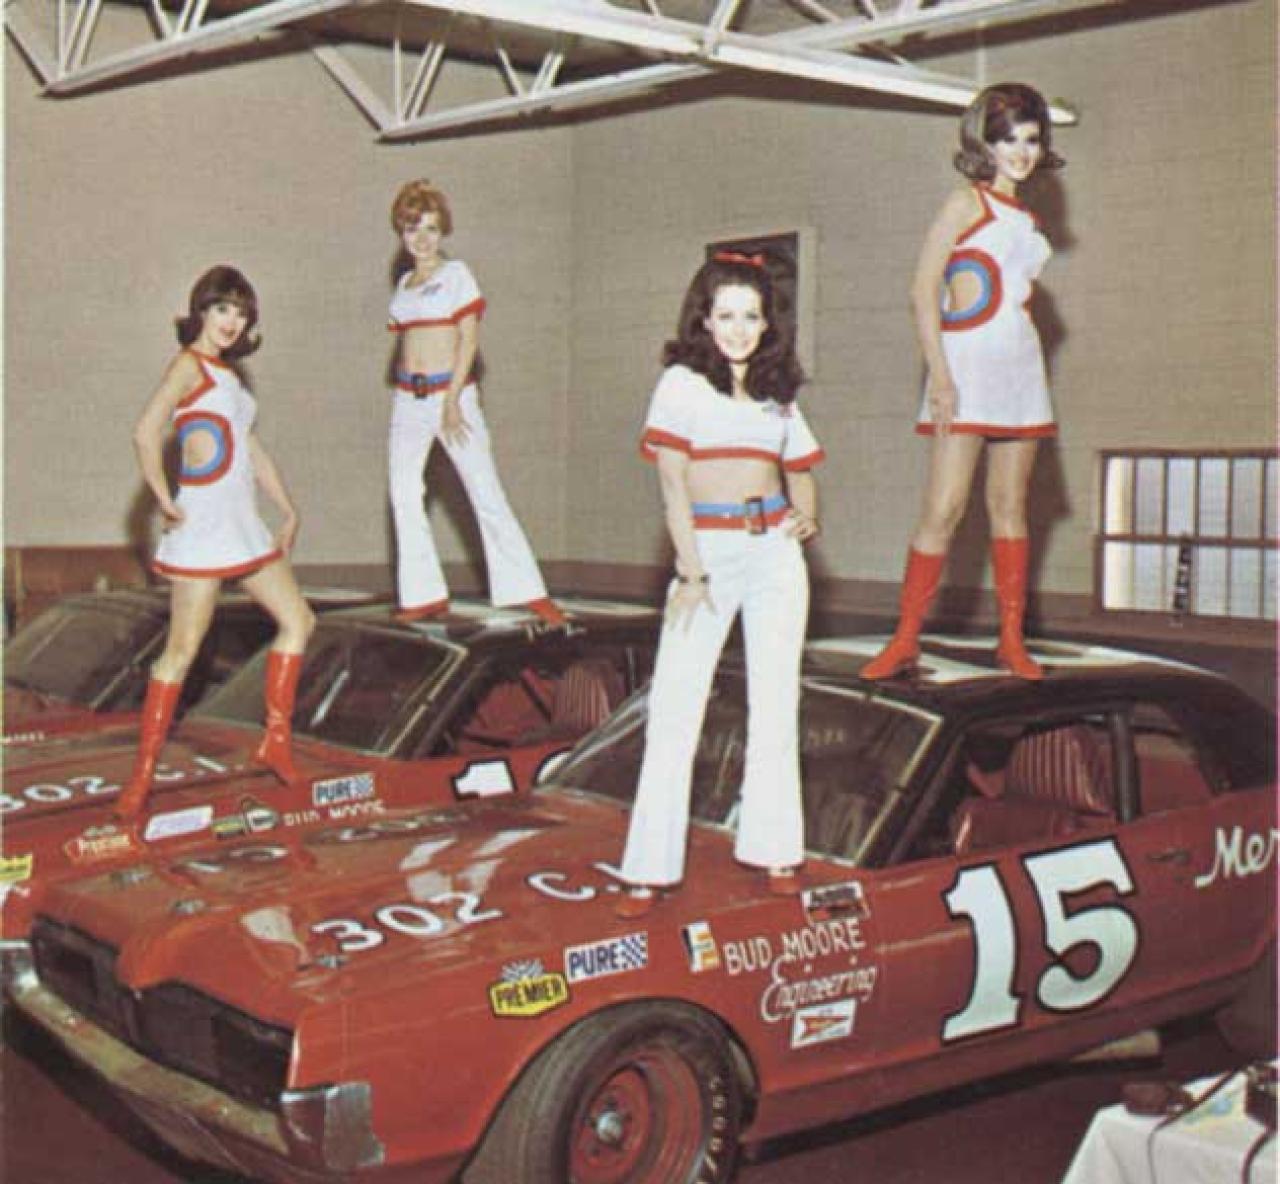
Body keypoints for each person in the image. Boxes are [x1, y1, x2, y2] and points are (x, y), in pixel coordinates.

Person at [615, 253, 823, 917]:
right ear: (703, 320)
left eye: (751, 317)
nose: (738, 329)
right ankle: (647, 869)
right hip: (705, 552)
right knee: (675, 708)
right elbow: (672, 484)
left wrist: (806, 514)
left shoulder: (776, 392)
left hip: (774, 555)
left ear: (767, 324)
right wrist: (690, 568)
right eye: (726, 315)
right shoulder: (680, 384)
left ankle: (776, 849)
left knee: (776, 701)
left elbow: (800, 468)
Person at [862, 82, 1065, 682]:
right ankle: (905, 639)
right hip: (966, 367)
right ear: (985, 144)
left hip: (1020, 368)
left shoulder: (1027, 217)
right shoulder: (964, 202)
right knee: (944, 507)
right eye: (1008, 140)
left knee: (1010, 507)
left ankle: (1011, 640)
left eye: (1031, 140)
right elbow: (922, 290)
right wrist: (941, 376)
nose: (1021, 152)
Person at [116, 266, 315, 818]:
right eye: (223, 309)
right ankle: (142, 775)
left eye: (241, 313)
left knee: (298, 621)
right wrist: (162, 496)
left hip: (242, 526)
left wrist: (288, 507)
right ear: (201, 311)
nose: (232, 322)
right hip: (204, 529)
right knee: (180, 652)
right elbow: (145, 431)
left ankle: (276, 740)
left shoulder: (231, 380)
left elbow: (251, 449)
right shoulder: (189, 365)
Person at [386, 179, 563, 625]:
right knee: (404, 492)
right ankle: (422, 594)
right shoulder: (404, 285)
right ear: (401, 233)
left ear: (443, 230)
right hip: (408, 399)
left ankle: (527, 590)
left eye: (430, 228)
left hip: (451, 395)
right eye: (412, 229)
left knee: (483, 488)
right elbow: (408, 343)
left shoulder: (457, 275)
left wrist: (452, 399)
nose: (422, 238)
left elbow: (467, 339)